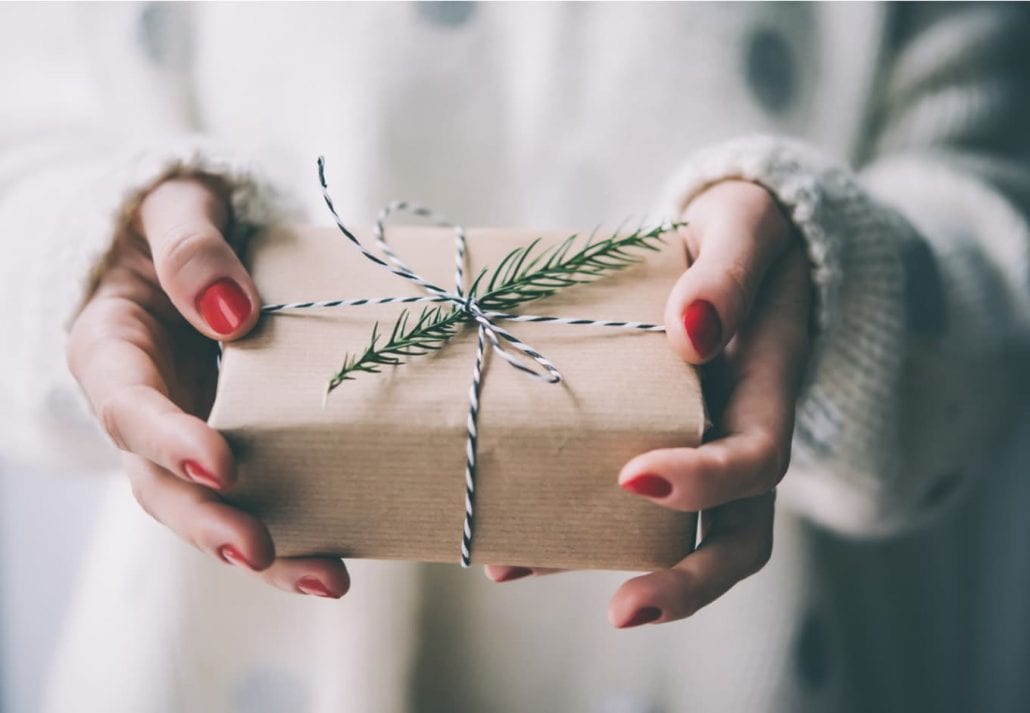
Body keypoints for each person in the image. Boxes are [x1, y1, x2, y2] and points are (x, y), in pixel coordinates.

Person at [2, 2, 1028, 712]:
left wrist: (831, 283)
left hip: (757, 662)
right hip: (228, 660)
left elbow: (991, 245)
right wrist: (100, 257)